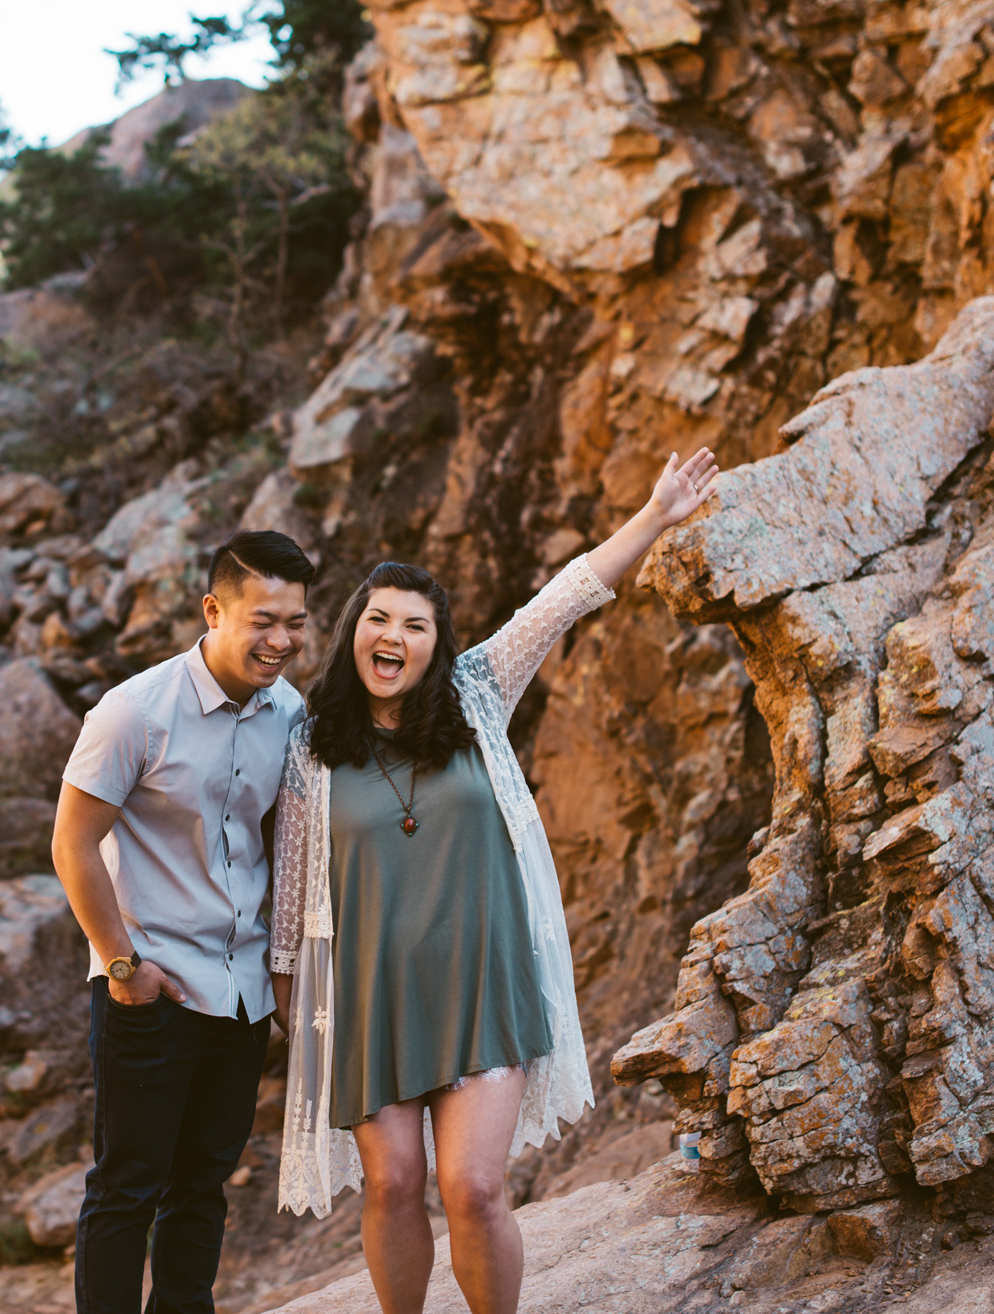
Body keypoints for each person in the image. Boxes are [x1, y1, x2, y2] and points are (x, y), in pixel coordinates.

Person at [269, 449, 720, 1314]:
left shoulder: (477, 694)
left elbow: (568, 595)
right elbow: (291, 884)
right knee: (394, 1185)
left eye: (413, 626)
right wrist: (293, 995)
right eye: (378, 620)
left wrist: (658, 511)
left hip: (480, 981)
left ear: (438, 646)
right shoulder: (310, 743)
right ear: (353, 630)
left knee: (472, 1188)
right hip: (368, 995)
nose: (392, 638)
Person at [54, 529, 315, 1314]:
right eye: (263, 620)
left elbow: (283, 842)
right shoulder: (134, 711)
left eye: (296, 622)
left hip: (239, 996)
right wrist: (124, 965)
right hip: (151, 985)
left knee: (202, 1187)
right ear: (213, 610)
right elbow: (72, 844)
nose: (281, 641)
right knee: (127, 1186)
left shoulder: (289, 712)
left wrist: (280, 963)